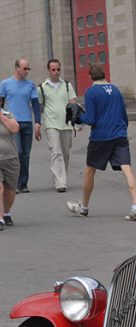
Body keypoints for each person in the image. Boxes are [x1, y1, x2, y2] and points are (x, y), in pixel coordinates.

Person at [67, 64, 136, 221]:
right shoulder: (115, 90)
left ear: (90, 77)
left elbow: (91, 119)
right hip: (120, 135)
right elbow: (124, 115)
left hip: (100, 137)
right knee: (127, 169)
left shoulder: (91, 92)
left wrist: (78, 118)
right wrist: (122, 130)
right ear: (104, 75)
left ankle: (84, 207)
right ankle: (135, 206)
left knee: (90, 171)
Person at [0, 58, 42, 193]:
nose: (27, 71)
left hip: (27, 122)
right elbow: (1, 103)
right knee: (17, 153)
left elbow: (35, 104)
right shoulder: (5, 84)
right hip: (13, 123)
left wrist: (37, 122)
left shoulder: (30, 85)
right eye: (25, 68)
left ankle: (23, 183)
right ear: (17, 68)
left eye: (28, 69)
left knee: (26, 154)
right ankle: (14, 182)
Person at [39, 59, 77, 193]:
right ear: (49, 70)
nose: (56, 72)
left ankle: (61, 176)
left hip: (65, 124)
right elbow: (39, 106)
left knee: (65, 154)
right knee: (56, 152)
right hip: (51, 123)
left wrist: (76, 119)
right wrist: (37, 124)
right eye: (53, 70)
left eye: (58, 69)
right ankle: (60, 182)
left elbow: (72, 103)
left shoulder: (67, 85)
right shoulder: (42, 87)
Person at [0, 107, 20, 230]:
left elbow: (15, 128)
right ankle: (0, 218)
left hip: (10, 158)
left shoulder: (8, 114)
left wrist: (1, 116)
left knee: (10, 189)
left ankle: (6, 212)